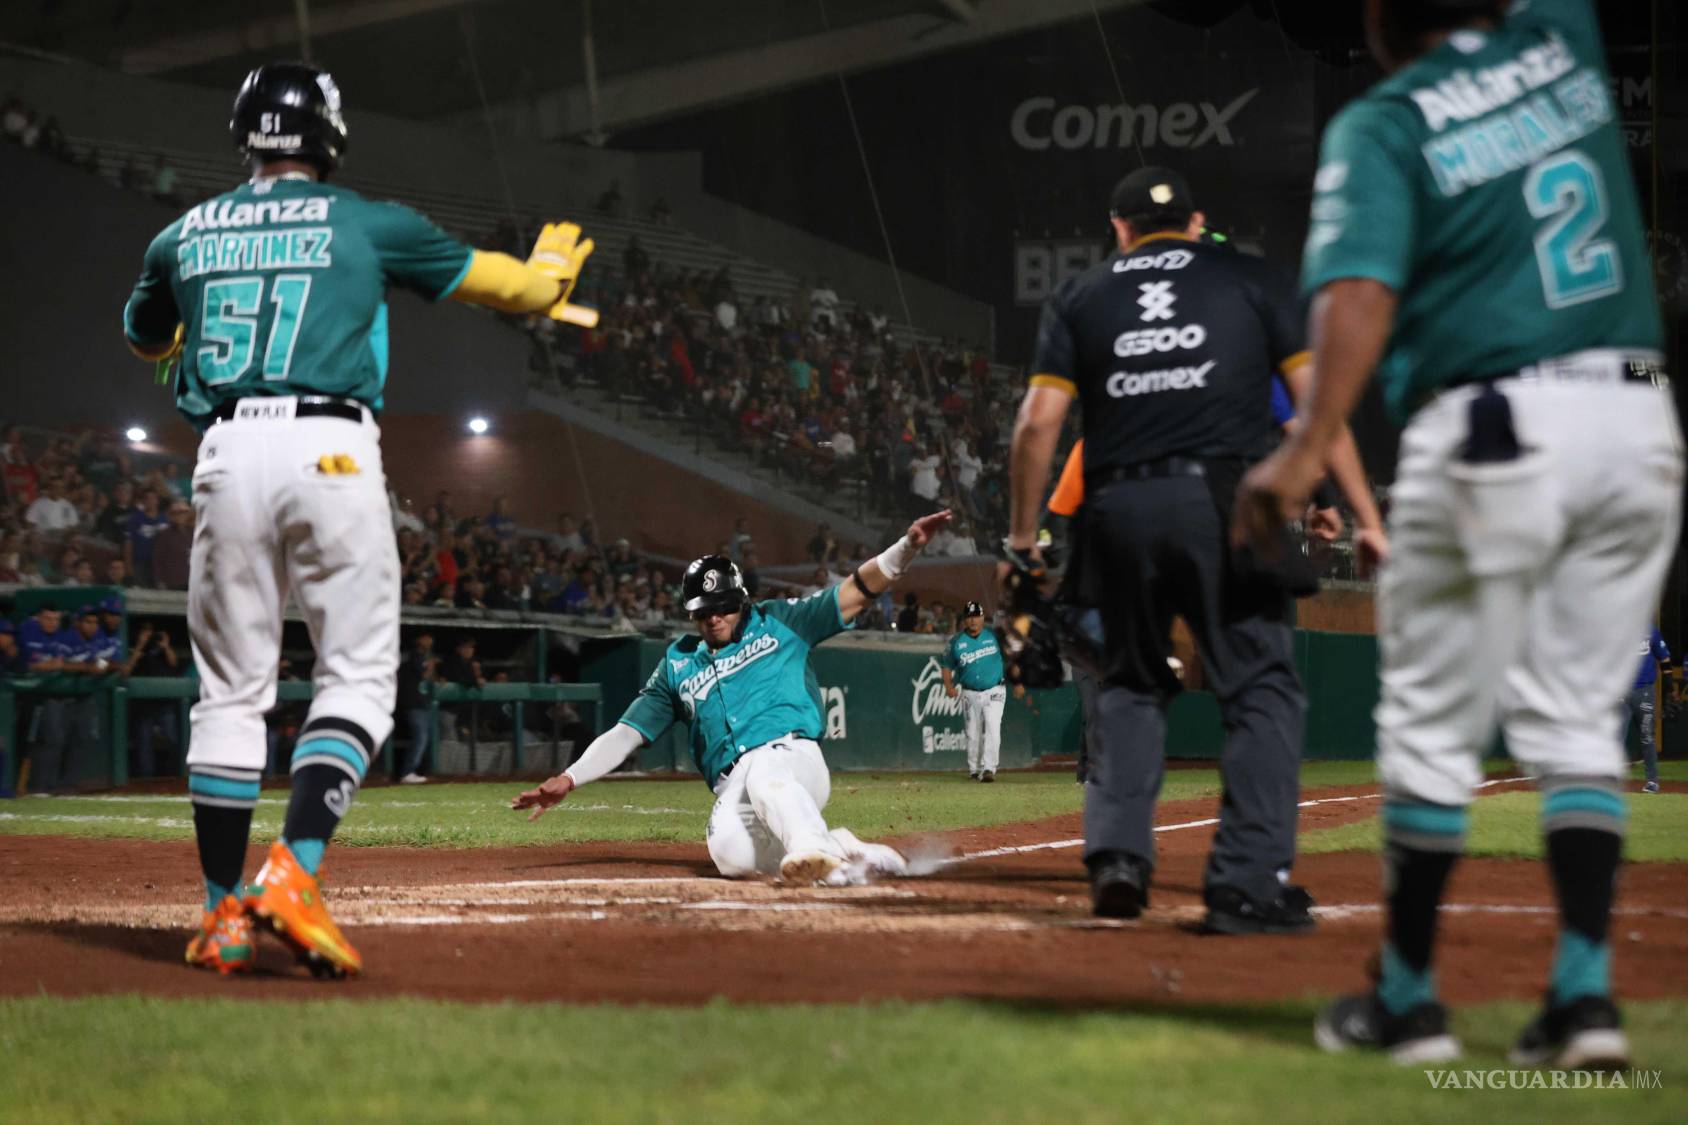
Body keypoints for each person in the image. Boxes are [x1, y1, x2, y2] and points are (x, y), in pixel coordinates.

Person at [1236, 0, 1676, 1070]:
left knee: (1432, 726)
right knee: (1575, 721)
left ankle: (1406, 1002)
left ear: (1379, 15)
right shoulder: (1561, 37)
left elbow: (1356, 293)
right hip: (1638, 417)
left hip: (1494, 425)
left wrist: (1301, 455)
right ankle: (1581, 1005)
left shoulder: (1384, 122)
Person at [122, 62, 597, 980]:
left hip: (223, 451)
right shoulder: (363, 221)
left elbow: (146, 334)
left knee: (227, 695)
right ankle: (295, 872)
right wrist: (543, 279)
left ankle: (222, 915)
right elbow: (508, 288)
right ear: (327, 138)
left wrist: (191, 328)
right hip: (327, 449)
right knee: (360, 677)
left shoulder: (179, 233)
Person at [1007, 166, 1380, 933]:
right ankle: (1245, 881)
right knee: (1261, 686)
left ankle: (1116, 859)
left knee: (1129, 682)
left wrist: (1020, 541)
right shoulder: (1252, 278)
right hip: (1226, 504)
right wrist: (1363, 511)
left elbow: (1038, 425)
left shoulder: (1081, 295)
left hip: (1118, 508)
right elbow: (1317, 410)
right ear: (1198, 220)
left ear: (1119, 228)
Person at [513, 511, 953, 885]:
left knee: (765, 768)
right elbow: (627, 732)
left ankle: (812, 843)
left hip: (793, 758)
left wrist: (907, 547)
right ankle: (845, 848)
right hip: (733, 783)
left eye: (722, 605)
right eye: (703, 610)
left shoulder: (783, 622)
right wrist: (569, 777)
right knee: (730, 856)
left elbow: (856, 590)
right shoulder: (677, 663)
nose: (714, 616)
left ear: (741, 600)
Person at [941, 601, 1006, 782]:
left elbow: (1011, 655)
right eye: (969, 617)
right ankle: (973, 769)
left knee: (993, 727)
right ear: (964, 620)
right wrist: (948, 686)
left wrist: (1017, 680)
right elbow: (946, 665)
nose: (973, 620)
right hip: (969, 692)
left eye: (976, 616)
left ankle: (989, 769)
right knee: (972, 732)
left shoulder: (994, 636)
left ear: (983, 617)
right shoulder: (956, 641)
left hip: (995, 690)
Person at [1624, 628, 1674, 795]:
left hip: (1644, 691)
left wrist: (1668, 684)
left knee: (1647, 736)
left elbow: (1664, 657)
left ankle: (1652, 781)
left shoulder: (1650, 631)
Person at [395, 632, 438, 784]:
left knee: (423, 737)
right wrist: (431, 666)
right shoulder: (414, 656)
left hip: (420, 702)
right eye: (425, 637)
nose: (429, 640)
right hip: (412, 702)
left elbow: (429, 678)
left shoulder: (422, 657)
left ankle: (415, 771)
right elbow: (425, 675)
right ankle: (407, 772)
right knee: (420, 737)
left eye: (429, 637)